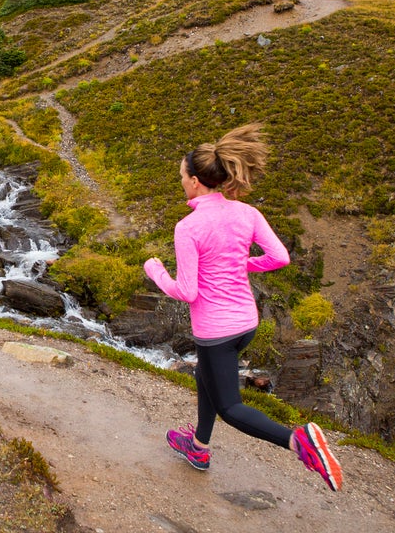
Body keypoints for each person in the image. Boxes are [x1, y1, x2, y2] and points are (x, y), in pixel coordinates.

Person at [143, 123, 343, 491]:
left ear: (196, 182)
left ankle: (299, 442)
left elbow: (187, 291)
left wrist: (155, 271)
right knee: (206, 378)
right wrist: (238, 263)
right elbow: (279, 257)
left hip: (216, 330)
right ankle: (199, 448)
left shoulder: (188, 227)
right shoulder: (246, 213)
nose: (181, 182)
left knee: (230, 407)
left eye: (182, 176)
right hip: (246, 323)